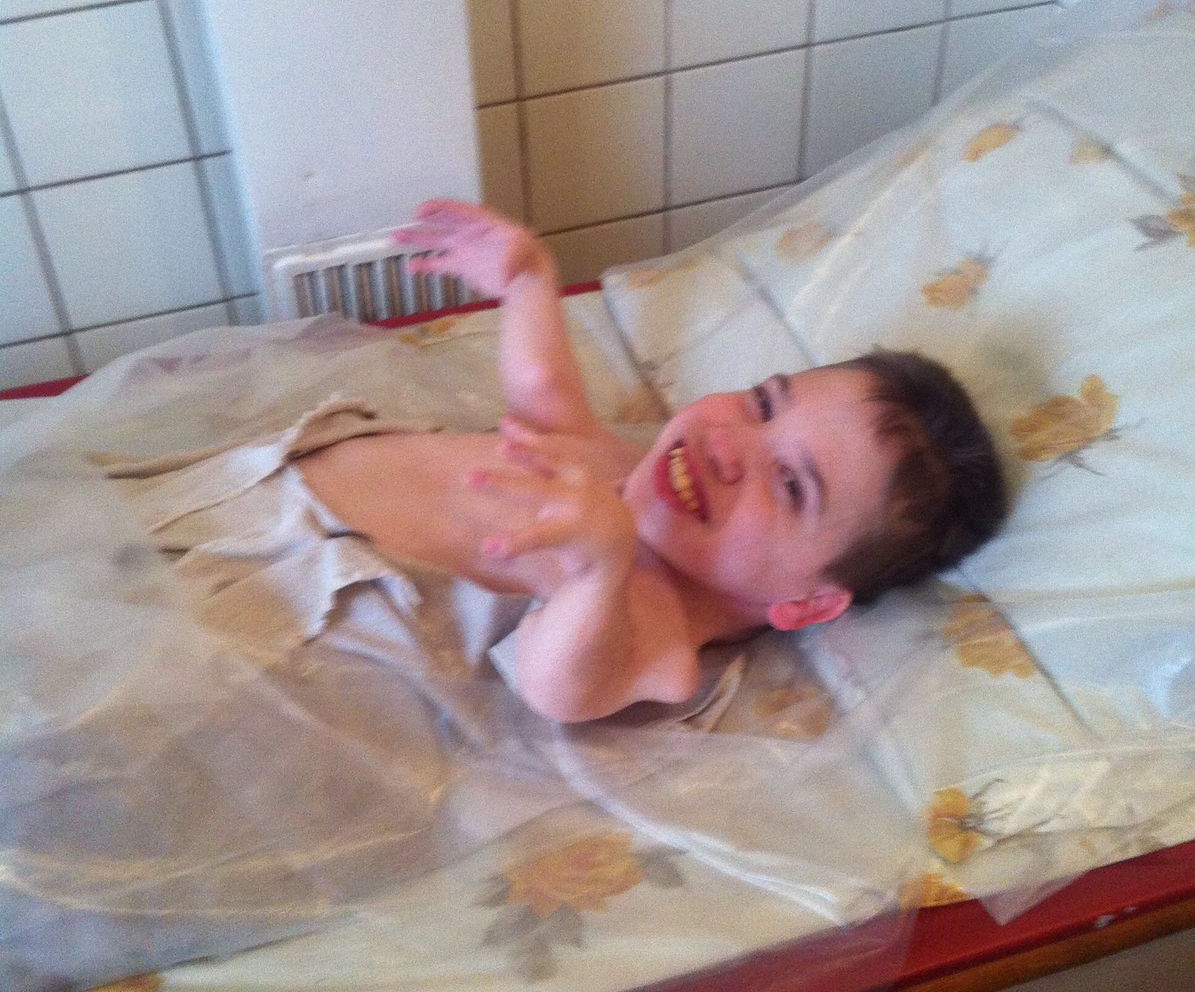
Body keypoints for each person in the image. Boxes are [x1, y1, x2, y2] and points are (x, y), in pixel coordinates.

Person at [296, 200, 1008, 724]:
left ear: (809, 602)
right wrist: (529, 282)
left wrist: (598, 572)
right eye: (762, 404)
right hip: (277, 474)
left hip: (288, 581)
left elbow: (557, 689)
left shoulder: (659, 633)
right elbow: (546, 413)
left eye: (791, 484)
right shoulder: (630, 471)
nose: (727, 443)